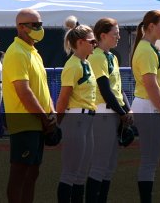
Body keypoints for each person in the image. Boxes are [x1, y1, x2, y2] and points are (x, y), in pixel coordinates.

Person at [4, 8, 55, 203]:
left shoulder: (33, 52)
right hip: (25, 123)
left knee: (32, 174)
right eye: (36, 25)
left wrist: (50, 113)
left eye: (40, 24)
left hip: (37, 123)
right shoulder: (17, 52)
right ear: (22, 27)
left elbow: (42, 88)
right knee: (20, 174)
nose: (40, 28)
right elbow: (23, 91)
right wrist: (44, 117)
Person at [131, 10, 160, 202]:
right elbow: (151, 85)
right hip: (150, 107)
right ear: (150, 27)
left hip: (151, 106)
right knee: (149, 160)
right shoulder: (146, 49)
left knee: (151, 160)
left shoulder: (150, 48)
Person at [56, 22, 97, 203]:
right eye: (92, 41)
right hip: (75, 119)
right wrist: (58, 122)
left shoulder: (85, 63)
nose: (94, 44)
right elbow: (63, 98)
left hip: (87, 120)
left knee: (81, 173)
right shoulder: (73, 65)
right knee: (70, 172)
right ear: (80, 42)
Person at [89, 18, 129, 203]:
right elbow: (105, 90)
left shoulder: (111, 56)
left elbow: (118, 88)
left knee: (109, 164)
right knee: (100, 164)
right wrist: (123, 113)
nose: (118, 36)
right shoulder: (96, 56)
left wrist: (127, 110)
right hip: (104, 113)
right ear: (102, 35)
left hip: (113, 112)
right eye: (115, 33)